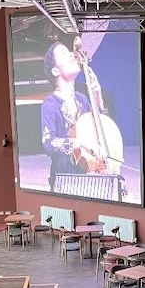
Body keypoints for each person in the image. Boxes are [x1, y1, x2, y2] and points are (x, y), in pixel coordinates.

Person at [39, 39, 106, 191]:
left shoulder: (82, 98)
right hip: (65, 180)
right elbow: (49, 143)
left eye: (69, 51)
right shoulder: (50, 104)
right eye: (63, 53)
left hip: (88, 173)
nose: (71, 54)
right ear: (55, 71)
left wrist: (98, 97)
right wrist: (80, 142)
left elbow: (99, 131)